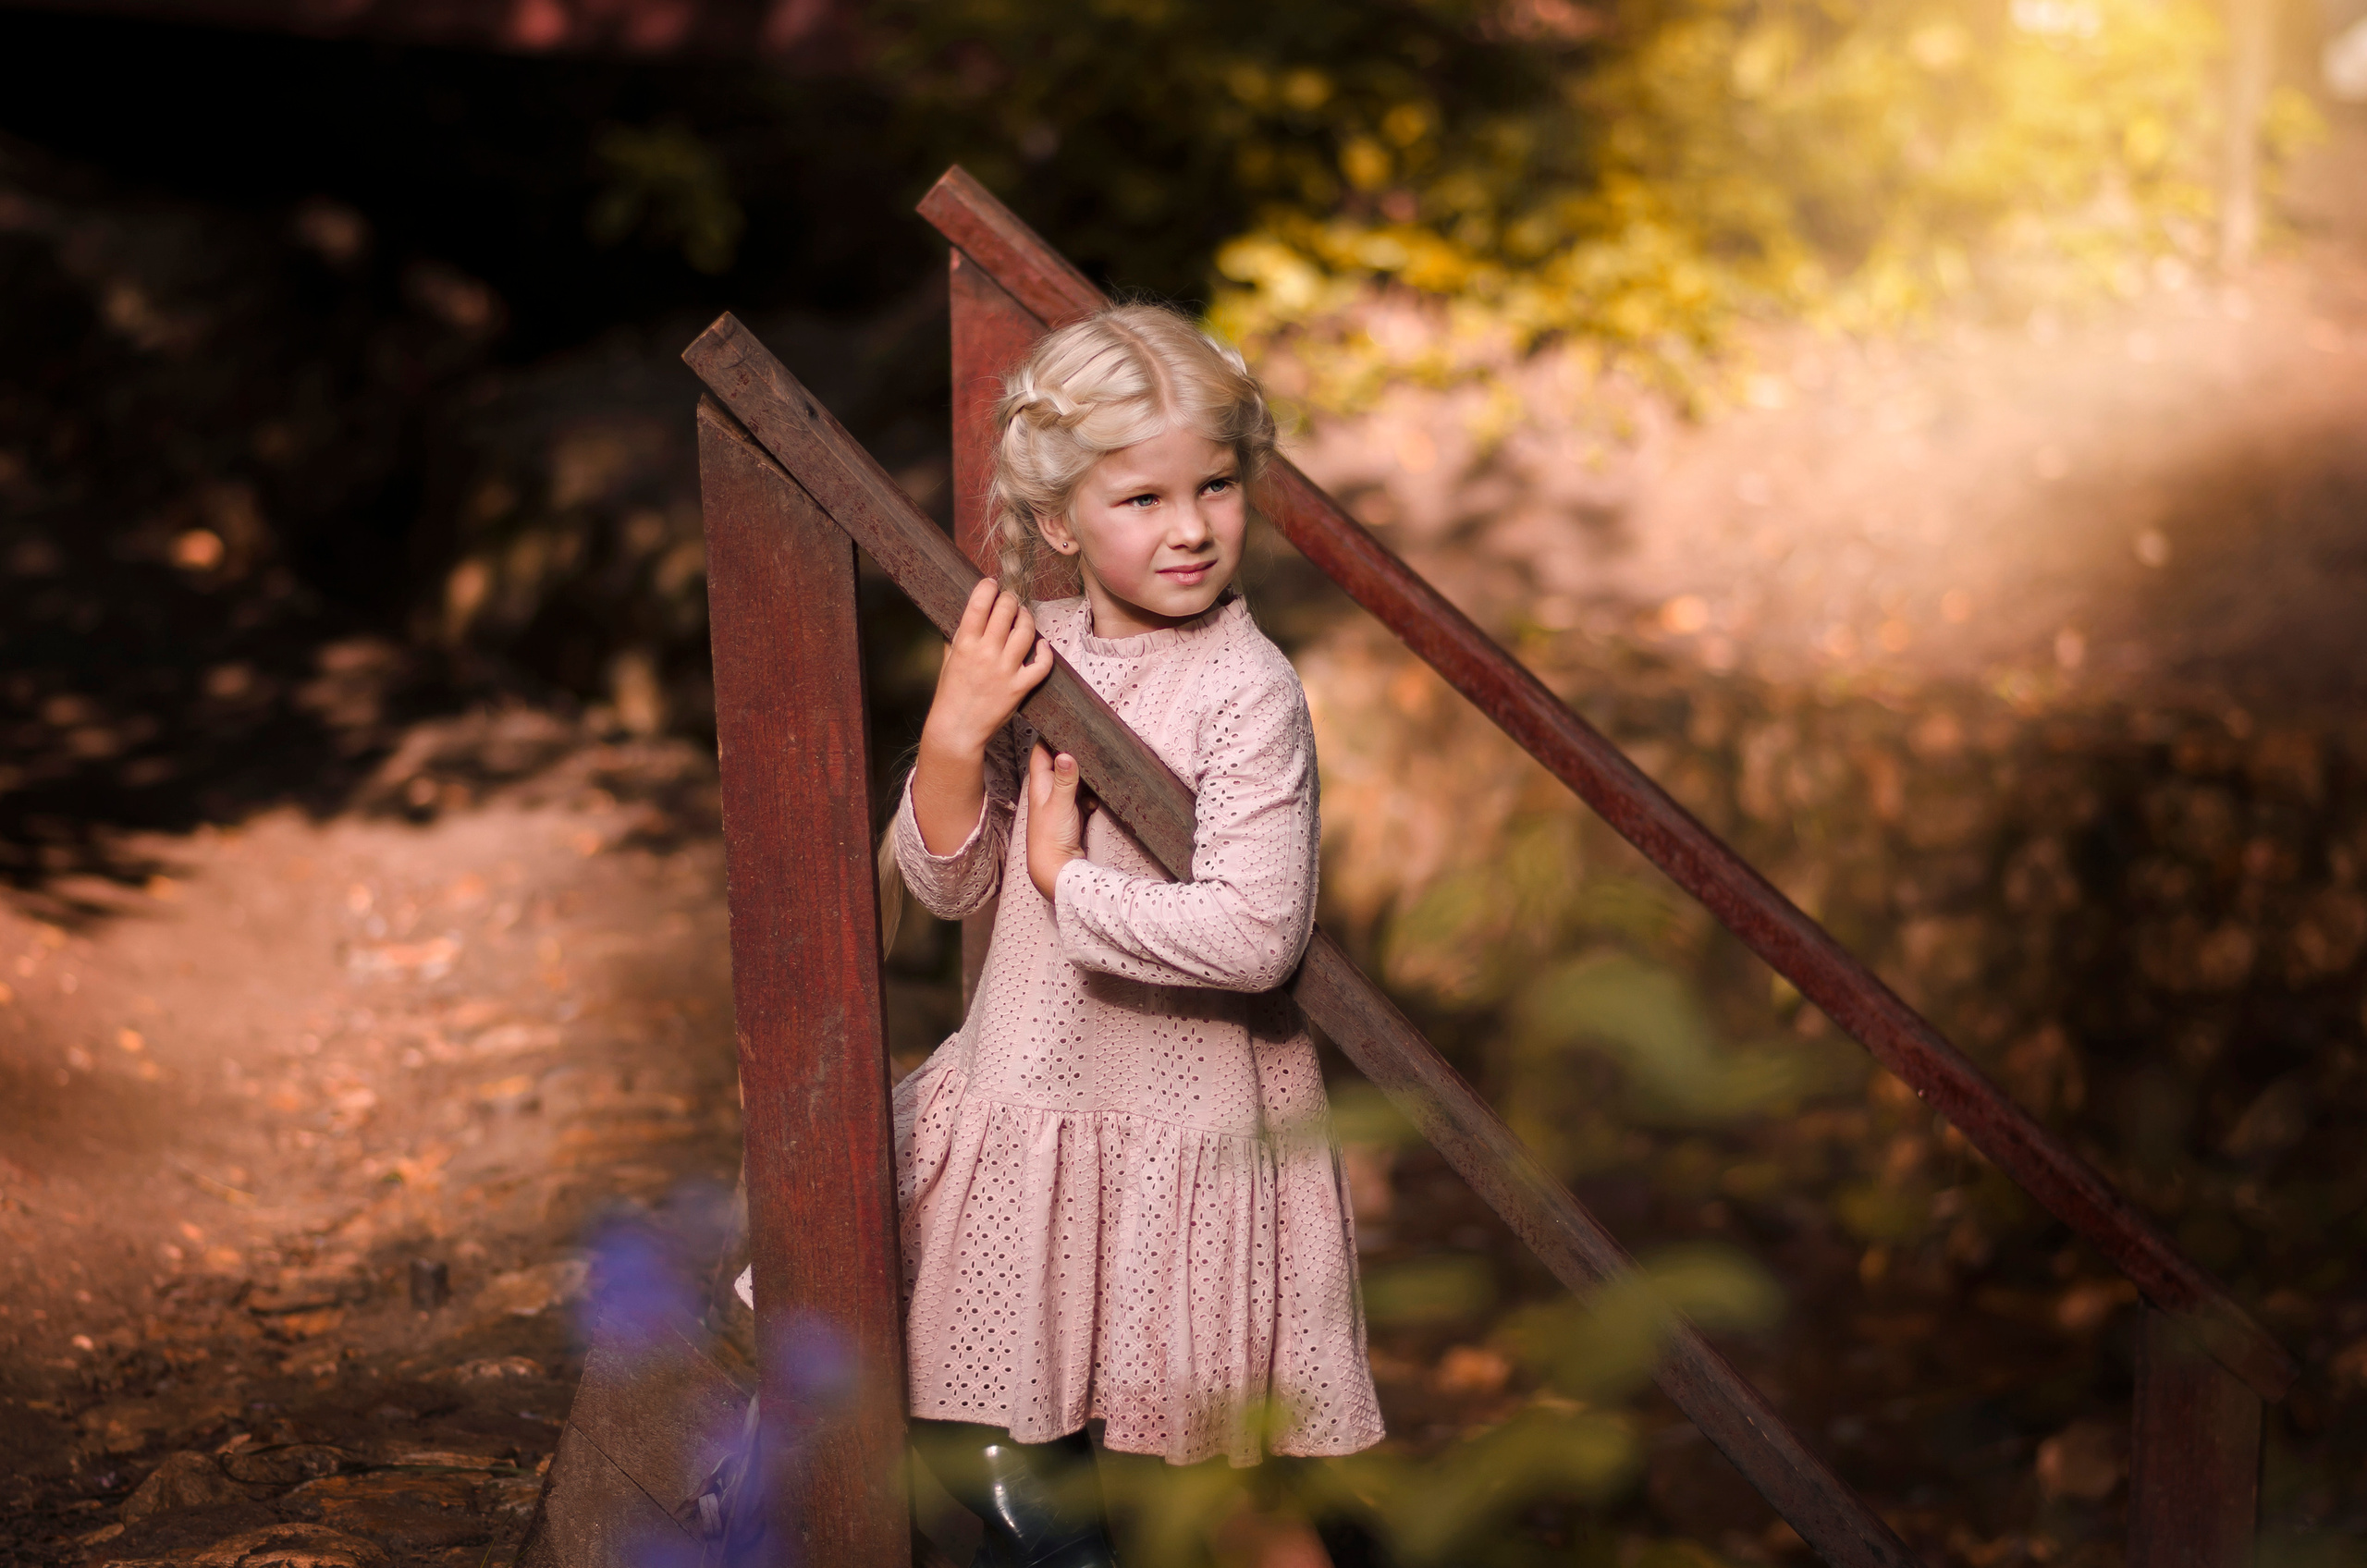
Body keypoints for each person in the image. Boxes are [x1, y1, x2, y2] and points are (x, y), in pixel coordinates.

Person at [894, 304, 1383, 1566]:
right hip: (1034, 1098)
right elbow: (945, 887)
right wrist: (955, 733)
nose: (1189, 527)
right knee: (985, 1439)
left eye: (1216, 486)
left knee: (1224, 1493)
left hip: (1191, 1129)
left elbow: (1255, 933)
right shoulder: (1031, 653)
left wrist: (1066, 884)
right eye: (1142, 498)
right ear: (1060, 521)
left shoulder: (1247, 690)